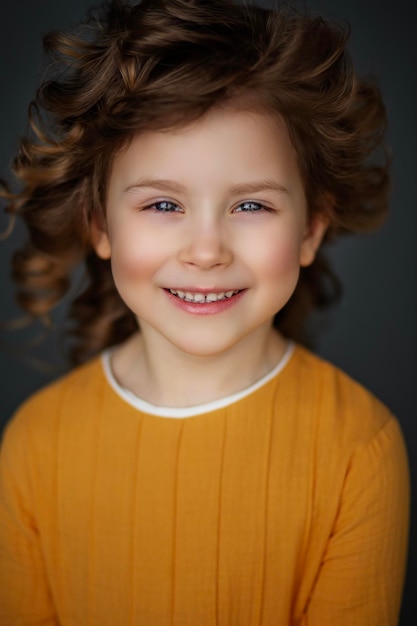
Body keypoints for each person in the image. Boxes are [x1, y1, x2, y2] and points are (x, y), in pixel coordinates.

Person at [0, 0, 410, 624]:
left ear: (311, 229)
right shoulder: (35, 444)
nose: (206, 251)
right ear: (99, 224)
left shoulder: (360, 448)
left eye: (251, 207)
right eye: (163, 206)